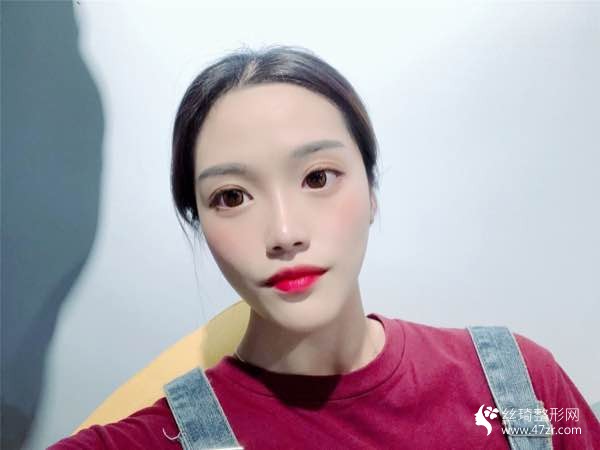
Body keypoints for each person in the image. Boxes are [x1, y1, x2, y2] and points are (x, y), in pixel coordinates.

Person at [49, 45, 599, 449]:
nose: (285, 232)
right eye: (232, 196)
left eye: (317, 178)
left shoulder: (516, 386)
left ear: (371, 189)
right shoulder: (153, 441)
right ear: (198, 221)